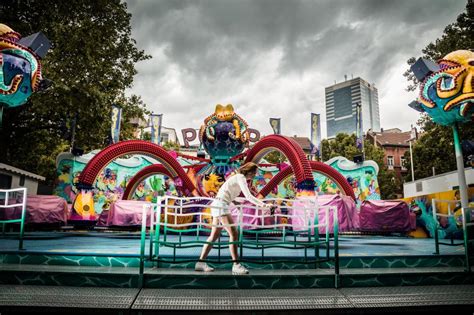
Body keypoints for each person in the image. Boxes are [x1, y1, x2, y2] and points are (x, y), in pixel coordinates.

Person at [195, 162, 271, 275]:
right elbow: (248, 196)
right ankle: (236, 265)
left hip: (218, 205)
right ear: (249, 171)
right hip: (221, 206)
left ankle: (200, 263)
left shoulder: (236, 177)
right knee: (234, 234)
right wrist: (264, 205)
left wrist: (237, 206)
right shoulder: (241, 177)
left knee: (214, 235)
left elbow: (231, 195)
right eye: (254, 172)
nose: (255, 175)